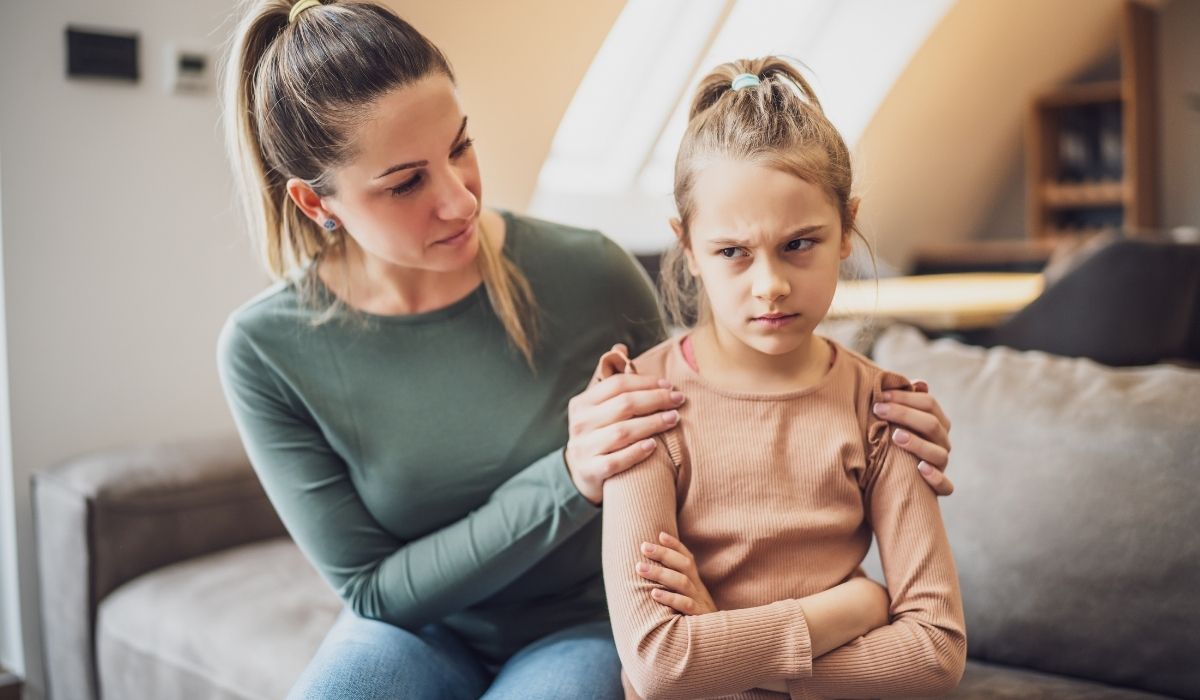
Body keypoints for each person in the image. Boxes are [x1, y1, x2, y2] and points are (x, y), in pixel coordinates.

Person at [216, 1, 957, 697]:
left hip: (585, 625)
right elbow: (374, 590)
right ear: (316, 203)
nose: (461, 198)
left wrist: (878, 425)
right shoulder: (265, 350)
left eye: (461, 146)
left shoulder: (589, 272)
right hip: (419, 630)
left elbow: (718, 415)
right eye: (407, 182)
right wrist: (570, 475)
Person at [600, 58, 966, 700]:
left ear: (847, 229)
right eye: (731, 251)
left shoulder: (882, 410)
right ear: (686, 247)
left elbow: (935, 653)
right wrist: (854, 609)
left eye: (800, 243)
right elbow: (658, 664)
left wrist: (721, 638)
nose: (770, 285)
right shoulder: (643, 404)